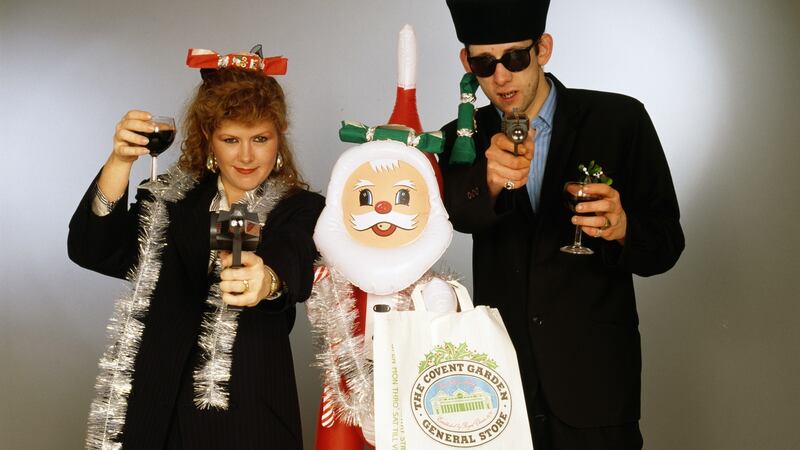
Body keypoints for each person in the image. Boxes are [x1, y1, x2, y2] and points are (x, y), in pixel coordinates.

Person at [438, 1, 685, 449]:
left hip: (596, 386)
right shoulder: (459, 139)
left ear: (543, 48)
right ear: (466, 63)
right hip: (499, 389)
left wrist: (622, 228)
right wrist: (487, 183)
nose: (501, 77)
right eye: (484, 63)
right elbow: (457, 217)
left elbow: (666, 244)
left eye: (515, 57)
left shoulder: (620, 120)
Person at [68, 46, 324, 450]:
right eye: (230, 139)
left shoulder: (301, 208)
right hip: (155, 408)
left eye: (260, 138)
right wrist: (119, 161)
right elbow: (91, 248)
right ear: (208, 139)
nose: (245, 156)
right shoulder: (169, 201)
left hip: (247, 414)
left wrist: (265, 280)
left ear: (280, 137)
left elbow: (292, 259)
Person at [306, 25, 459, 449]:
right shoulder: (336, 279)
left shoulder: (431, 288)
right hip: (345, 394)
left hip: (415, 395)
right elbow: (321, 321)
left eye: (402, 196)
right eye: (368, 196)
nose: (383, 209)